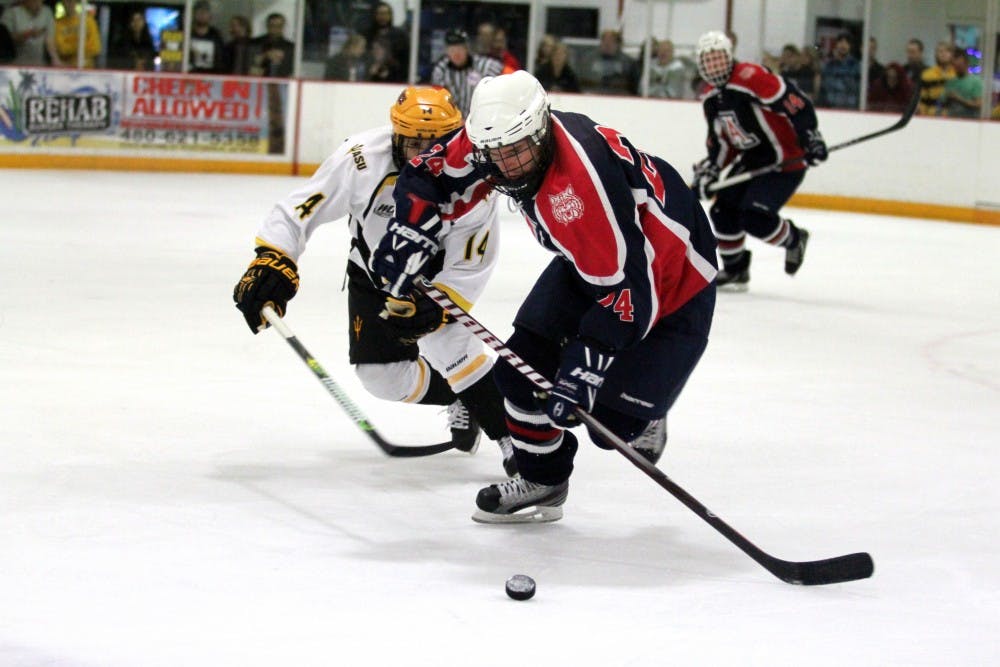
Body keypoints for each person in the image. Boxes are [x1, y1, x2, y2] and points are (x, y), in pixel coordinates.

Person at [369, 71, 717, 522]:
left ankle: (648, 411)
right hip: (591, 260)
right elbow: (429, 173)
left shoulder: (580, 188)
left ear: (541, 129)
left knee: (611, 428)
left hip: (675, 275)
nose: (506, 165)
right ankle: (544, 479)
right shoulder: (502, 139)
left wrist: (585, 367)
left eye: (516, 152)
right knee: (519, 373)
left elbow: (631, 294)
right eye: (495, 154)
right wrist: (409, 228)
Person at [232, 86, 516, 477]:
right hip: (373, 271)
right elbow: (301, 208)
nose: (425, 153)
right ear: (396, 135)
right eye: (414, 143)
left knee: (454, 351)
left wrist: (439, 307)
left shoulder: (474, 183)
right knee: (381, 378)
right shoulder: (361, 159)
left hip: (432, 281)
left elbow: (472, 261)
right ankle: (464, 398)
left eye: (436, 142)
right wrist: (273, 258)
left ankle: (517, 443)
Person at [690, 30, 825, 290]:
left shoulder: (751, 78)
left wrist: (811, 136)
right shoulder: (710, 98)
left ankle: (794, 239)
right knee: (722, 211)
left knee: (754, 217)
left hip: (785, 159)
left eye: (718, 58)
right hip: (754, 159)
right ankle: (736, 269)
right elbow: (722, 142)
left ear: (730, 57)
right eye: (708, 60)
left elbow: (795, 102)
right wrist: (712, 170)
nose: (714, 65)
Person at [430, 29, 502, 117]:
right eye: (452, 50)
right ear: (447, 51)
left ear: (467, 48)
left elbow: (502, 74)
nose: (456, 53)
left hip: (479, 122)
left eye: (460, 48)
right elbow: (438, 102)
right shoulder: (441, 71)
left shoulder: (484, 66)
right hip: (452, 124)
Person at [578, 29, 638, 95]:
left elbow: (632, 84)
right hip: (593, 94)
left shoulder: (628, 62)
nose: (607, 44)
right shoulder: (588, 59)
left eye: (611, 41)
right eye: (604, 41)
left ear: (618, 44)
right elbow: (583, 79)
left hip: (618, 95)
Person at [1, 0, 60, 66]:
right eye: (34, 1)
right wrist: (27, 35)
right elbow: (5, 40)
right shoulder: (11, 13)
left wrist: (55, 59)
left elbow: (49, 40)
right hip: (15, 64)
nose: (37, 3)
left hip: (39, 64)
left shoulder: (47, 12)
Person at [363, 2, 408, 81]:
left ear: (390, 15)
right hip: (369, 78)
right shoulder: (367, 34)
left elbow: (404, 60)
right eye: (380, 13)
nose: (382, 17)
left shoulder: (400, 35)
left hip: (394, 79)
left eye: (385, 13)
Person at [819, 33, 860, 108]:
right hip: (830, 108)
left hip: (849, 109)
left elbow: (856, 88)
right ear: (836, 44)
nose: (843, 45)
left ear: (850, 46)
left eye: (846, 42)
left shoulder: (856, 65)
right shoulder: (828, 65)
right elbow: (824, 88)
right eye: (841, 42)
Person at [54, 3, 101, 68]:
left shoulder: (89, 21)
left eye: (71, 1)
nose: (69, 4)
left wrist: (72, 47)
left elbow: (95, 47)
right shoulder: (58, 24)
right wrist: (80, 46)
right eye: (66, 1)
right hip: (66, 67)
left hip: (88, 68)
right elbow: (61, 49)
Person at [939, 48, 982, 118]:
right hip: (952, 120)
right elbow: (942, 102)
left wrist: (959, 99)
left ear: (967, 63)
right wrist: (947, 98)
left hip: (970, 121)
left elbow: (978, 104)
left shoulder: (975, 81)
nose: (957, 69)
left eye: (959, 66)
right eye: (955, 66)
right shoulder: (950, 82)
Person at [251, 12, 294, 77]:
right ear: (267, 26)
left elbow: (292, 70)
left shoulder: (290, 47)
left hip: (282, 81)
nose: (275, 29)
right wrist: (265, 56)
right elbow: (250, 63)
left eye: (279, 26)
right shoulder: (255, 43)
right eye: (272, 26)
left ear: (283, 26)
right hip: (259, 80)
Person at [188, 0, 226, 74]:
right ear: (194, 14)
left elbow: (221, 59)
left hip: (211, 76)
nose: (202, 15)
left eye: (205, 12)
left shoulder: (216, 35)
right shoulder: (188, 34)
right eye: (199, 12)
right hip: (191, 75)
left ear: (210, 15)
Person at [918, 41, 955, 115]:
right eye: (940, 51)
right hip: (932, 116)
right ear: (936, 55)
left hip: (954, 117)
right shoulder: (927, 75)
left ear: (952, 55)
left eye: (947, 51)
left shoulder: (956, 74)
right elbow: (923, 101)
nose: (943, 54)